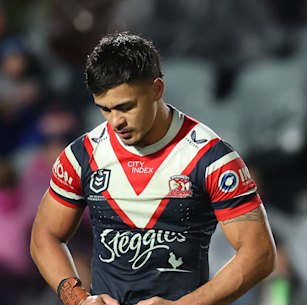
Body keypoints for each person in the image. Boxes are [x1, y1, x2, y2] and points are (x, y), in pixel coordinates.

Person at [30, 32, 276, 305]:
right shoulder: (82, 156)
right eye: (105, 109)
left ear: (157, 89)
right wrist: (78, 299)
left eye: (125, 107)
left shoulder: (211, 159)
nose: (115, 121)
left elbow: (260, 253)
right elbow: (45, 235)